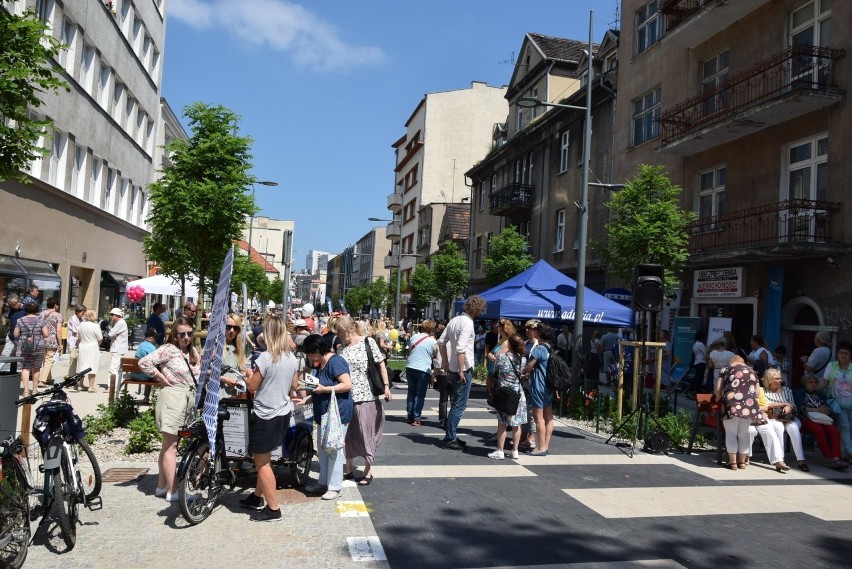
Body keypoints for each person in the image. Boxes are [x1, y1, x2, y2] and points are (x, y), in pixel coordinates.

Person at [239, 314, 297, 521]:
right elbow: (294, 385)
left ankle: (273, 509)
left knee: (261, 462)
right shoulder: (292, 358)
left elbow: (252, 386)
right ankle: (257, 497)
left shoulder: (265, 358)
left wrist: (248, 375)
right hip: (283, 412)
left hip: (265, 414)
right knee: (266, 459)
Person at [139, 317, 200, 502]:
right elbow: (144, 362)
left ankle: (161, 486)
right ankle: (173, 491)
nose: (186, 337)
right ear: (175, 333)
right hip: (173, 398)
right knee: (171, 446)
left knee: (169, 445)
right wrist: (159, 377)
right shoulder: (169, 349)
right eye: (182, 334)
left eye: (189, 333)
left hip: (186, 399)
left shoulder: (191, 351)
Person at [296, 334, 352, 500]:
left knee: (333, 449)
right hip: (323, 414)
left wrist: (324, 390)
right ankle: (323, 481)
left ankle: (334, 486)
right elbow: (316, 388)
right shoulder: (319, 365)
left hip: (337, 414)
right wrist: (307, 398)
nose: (308, 357)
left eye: (310, 353)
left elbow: (347, 384)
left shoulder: (336, 362)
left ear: (317, 351)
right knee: (322, 450)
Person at [336, 315, 390, 486]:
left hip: (366, 396)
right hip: (347, 397)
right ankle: (349, 469)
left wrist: (386, 386)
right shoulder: (341, 349)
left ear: (349, 330)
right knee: (349, 435)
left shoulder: (368, 342)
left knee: (366, 433)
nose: (338, 335)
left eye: (340, 332)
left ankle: (368, 470)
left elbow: (381, 364)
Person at [438, 295, 486, 451]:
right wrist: (461, 370)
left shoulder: (455, 319)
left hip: (453, 367)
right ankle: (450, 437)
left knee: (455, 403)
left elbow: (441, 341)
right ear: (477, 309)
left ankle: (451, 434)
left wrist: (445, 362)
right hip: (462, 369)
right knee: (459, 405)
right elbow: (460, 348)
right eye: (481, 309)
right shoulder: (467, 322)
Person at [715, 355, 764, 470]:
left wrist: (718, 397)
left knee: (731, 433)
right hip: (749, 405)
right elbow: (757, 393)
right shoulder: (752, 370)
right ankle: (742, 462)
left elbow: (718, 388)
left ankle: (732, 463)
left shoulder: (726, 369)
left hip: (731, 404)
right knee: (743, 434)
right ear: (743, 362)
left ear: (731, 361)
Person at [794, 372, 848, 470]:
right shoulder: (799, 393)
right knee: (819, 431)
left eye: (815, 382)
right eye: (810, 382)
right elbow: (799, 408)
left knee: (835, 432)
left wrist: (826, 409)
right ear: (805, 383)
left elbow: (826, 406)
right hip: (806, 419)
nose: (813, 384)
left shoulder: (819, 394)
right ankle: (829, 459)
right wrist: (817, 410)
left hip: (822, 418)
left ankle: (836, 458)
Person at [487, 334, 528, 460]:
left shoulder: (502, 357)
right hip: (518, 394)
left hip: (504, 393)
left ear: (509, 345)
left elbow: (495, 371)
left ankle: (500, 450)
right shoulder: (523, 360)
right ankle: (514, 451)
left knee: (502, 423)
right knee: (517, 424)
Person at [761, 367, 808, 471]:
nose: (780, 381)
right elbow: (767, 405)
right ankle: (780, 460)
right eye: (777, 379)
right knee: (778, 428)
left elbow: (793, 405)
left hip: (789, 418)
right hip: (773, 418)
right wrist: (784, 403)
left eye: (780, 378)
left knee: (794, 428)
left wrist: (788, 406)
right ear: (769, 380)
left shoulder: (787, 390)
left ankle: (801, 460)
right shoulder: (763, 391)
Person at [523, 320, 554, 456]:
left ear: (539, 333)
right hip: (549, 386)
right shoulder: (549, 348)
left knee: (538, 417)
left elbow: (529, 365)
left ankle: (541, 447)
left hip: (538, 385)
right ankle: (545, 445)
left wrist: (524, 373)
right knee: (549, 417)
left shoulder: (539, 349)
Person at [823, 340, 852, 462]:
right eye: (841, 352)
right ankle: (850, 453)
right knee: (845, 427)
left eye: (846, 353)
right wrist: (810, 387)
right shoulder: (832, 366)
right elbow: (824, 382)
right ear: (837, 354)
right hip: (837, 403)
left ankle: (846, 451)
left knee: (850, 427)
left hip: (851, 402)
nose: (843, 355)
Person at [405, 320, 436, 426]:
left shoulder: (414, 337)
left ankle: (410, 415)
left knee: (411, 392)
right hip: (423, 369)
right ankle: (416, 417)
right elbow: (436, 356)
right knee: (420, 395)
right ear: (431, 329)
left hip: (410, 366)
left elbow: (409, 348)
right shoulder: (433, 341)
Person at [13, 301, 48, 396]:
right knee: (36, 368)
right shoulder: (41, 320)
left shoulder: (20, 320)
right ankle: (35, 390)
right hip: (38, 346)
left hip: (24, 347)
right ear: (37, 310)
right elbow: (46, 334)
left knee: (25, 368)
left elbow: (15, 334)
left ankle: (25, 391)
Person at [38, 296, 63, 386]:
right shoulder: (58, 315)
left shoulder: (41, 314)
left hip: (41, 338)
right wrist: (60, 343)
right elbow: (59, 330)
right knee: (49, 360)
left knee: (45, 359)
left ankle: (48, 378)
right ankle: (42, 380)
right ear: (55, 305)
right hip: (52, 339)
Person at [76, 310, 103, 392]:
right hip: (92, 346)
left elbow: (78, 336)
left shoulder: (81, 325)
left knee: (81, 365)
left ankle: (80, 385)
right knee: (92, 365)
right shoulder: (95, 326)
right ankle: (91, 386)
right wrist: (97, 344)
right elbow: (100, 338)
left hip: (83, 345)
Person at [131, 328, 159, 403]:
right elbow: (157, 361)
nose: (156, 340)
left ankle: (146, 397)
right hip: (145, 376)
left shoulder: (140, 345)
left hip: (134, 375)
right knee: (151, 372)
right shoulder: (152, 348)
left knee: (148, 371)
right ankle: (148, 397)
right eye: (155, 338)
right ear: (151, 338)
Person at [107, 307, 129, 396]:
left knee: (113, 368)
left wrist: (113, 334)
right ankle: (115, 385)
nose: (111, 317)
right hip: (119, 348)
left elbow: (110, 334)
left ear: (117, 315)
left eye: (112, 315)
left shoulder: (120, 323)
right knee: (117, 368)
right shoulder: (120, 323)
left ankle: (111, 386)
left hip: (117, 349)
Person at [432, 322, 450, 429]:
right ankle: (451, 421)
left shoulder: (439, 344)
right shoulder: (455, 342)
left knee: (443, 399)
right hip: (454, 372)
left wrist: (434, 374)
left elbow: (438, 362)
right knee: (453, 399)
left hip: (443, 372)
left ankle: (443, 420)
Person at [0, 295, 24, 371]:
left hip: (21, 337)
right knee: (5, 354)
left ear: (19, 302)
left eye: (14, 304)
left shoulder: (26, 309)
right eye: (11, 305)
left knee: (18, 356)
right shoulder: (11, 309)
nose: (13, 306)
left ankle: (16, 373)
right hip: (11, 336)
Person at [66, 305, 86, 375]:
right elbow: (76, 330)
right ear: (77, 312)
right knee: (73, 360)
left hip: (79, 342)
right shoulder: (73, 319)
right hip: (73, 342)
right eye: (82, 313)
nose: (83, 315)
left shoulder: (82, 319)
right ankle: (71, 376)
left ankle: (75, 375)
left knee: (79, 360)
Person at [687, 330, 708, 396]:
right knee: (699, 378)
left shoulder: (695, 344)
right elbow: (705, 354)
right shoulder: (701, 344)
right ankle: (692, 391)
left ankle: (694, 392)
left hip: (697, 362)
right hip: (701, 362)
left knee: (698, 378)